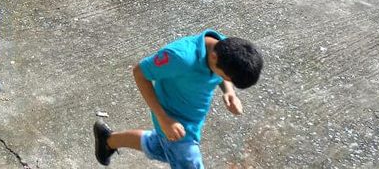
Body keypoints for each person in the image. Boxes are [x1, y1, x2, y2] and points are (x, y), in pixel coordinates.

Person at [92, 31, 263, 168]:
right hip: (173, 121)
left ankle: (108, 140)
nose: (225, 80)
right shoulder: (180, 58)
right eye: (225, 77)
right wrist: (163, 119)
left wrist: (229, 92)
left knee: (158, 147)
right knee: (186, 159)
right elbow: (139, 72)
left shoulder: (226, 49)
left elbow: (223, 75)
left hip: (191, 122)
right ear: (214, 57)